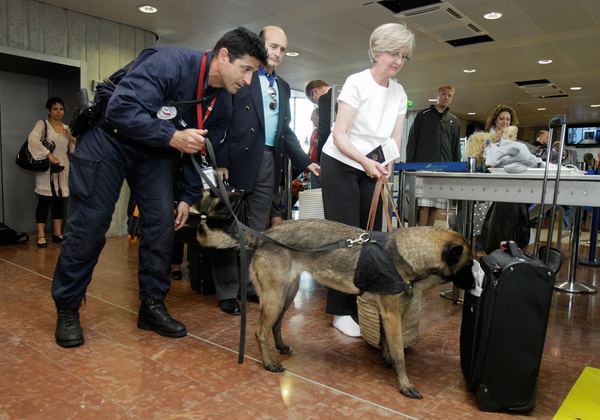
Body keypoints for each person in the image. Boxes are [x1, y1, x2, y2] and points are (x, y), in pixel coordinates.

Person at [51, 27, 268, 348]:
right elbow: (120, 108)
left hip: (153, 151)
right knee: (90, 225)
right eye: (246, 69)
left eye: (254, 73)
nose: (248, 80)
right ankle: (68, 307)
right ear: (224, 56)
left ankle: (152, 306)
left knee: (161, 225)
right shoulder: (170, 62)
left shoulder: (222, 104)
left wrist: (188, 196)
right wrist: (171, 137)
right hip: (109, 139)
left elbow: (198, 148)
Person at [212, 26, 320, 316]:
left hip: (269, 161)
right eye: (273, 46)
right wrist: (220, 161)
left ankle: (249, 287)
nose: (277, 53)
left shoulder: (283, 86)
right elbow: (222, 117)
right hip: (236, 160)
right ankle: (225, 291)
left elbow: (285, 130)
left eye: (282, 49)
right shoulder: (243, 73)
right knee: (230, 227)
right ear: (260, 45)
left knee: (257, 229)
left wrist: (304, 160)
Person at [320, 22, 414, 337]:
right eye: (394, 54)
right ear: (377, 51)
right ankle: (339, 311)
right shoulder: (356, 83)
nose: (398, 61)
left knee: (370, 238)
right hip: (341, 161)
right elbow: (339, 133)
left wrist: (387, 163)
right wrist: (365, 162)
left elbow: (394, 139)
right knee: (346, 238)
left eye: (404, 56)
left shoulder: (400, 93)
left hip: (372, 165)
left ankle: (360, 302)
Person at [405, 85, 461, 226]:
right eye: (443, 94)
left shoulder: (454, 121)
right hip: (423, 168)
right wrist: (409, 166)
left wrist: (456, 169)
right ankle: (420, 238)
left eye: (449, 95)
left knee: (436, 207)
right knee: (424, 207)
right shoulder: (423, 115)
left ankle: (428, 238)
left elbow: (456, 147)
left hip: (444, 170)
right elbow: (412, 140)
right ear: (438, 95)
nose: (446, 97)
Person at [27, 97, 76, 248]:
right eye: (55, 109)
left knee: (59, 201)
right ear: (49, 110)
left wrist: (72, 138)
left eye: (61, 109)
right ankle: (41, 235)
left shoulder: (67, 127)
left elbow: (73, 150)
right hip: (47, 168)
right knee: (44, 201)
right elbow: (32, 140)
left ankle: (57, 232)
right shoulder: (42, 124)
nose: (58, 112)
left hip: (63, 168)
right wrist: (48, 154)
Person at [305, 79, 335, 163]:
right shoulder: (340, 93)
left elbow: (325, 130)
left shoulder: (324, 99)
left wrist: (320, 158)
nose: (318, 104)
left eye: (314, 101)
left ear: (314, 91)